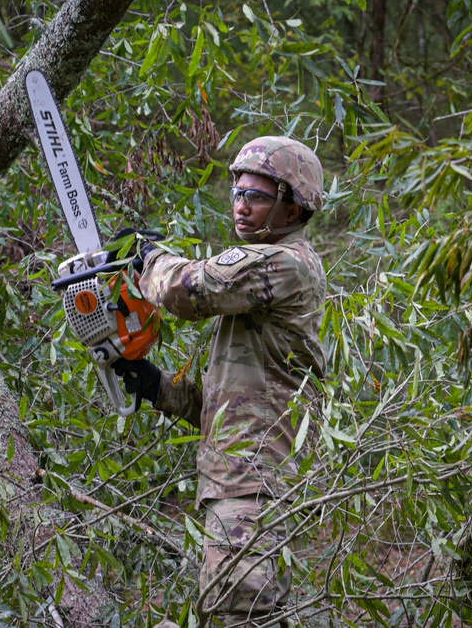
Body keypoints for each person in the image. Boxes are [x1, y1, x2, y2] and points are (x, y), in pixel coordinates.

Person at [112, 136, 327, 627]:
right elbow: (232, 401)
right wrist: (155, 385)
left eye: (256, 196)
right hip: (238, 478)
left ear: (293, 209)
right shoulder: (265, 278)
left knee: (236, 617)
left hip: (251, 482)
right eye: (237, 193)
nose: (241, 206)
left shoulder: (285, 264)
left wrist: (147, 256)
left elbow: (190, 290)